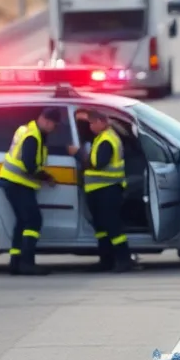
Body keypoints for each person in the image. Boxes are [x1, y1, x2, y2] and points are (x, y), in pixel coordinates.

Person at [0, 108, 64, 276]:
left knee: (22, 221)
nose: (52, 128)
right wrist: (47, 177)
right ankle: (27, 263)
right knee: (33, 220)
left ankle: (15, 262)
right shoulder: (32, 136)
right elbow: (29, 166)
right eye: (52, 125)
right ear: (45, 120)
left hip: (13, 181)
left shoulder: (27, 129)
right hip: (18, 183)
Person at [69, 109, 135, 272]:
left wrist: (78, 154)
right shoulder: (101, 138)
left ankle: (123, 260)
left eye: (92, 123)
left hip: (108, 190)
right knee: (101, 228)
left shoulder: (107, 139)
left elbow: (98, 163)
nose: (90, 127)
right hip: (98, 190)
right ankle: (106, 260)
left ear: (101, 122)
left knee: (112, 226)